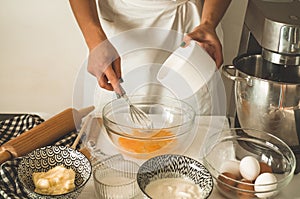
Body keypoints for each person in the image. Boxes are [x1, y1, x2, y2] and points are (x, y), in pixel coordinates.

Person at [69, 0, 231, 115]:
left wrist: (208, 23)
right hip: (119, 33)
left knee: (194, 135)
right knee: (116, 127)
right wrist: (94, 39)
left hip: (192, 30)